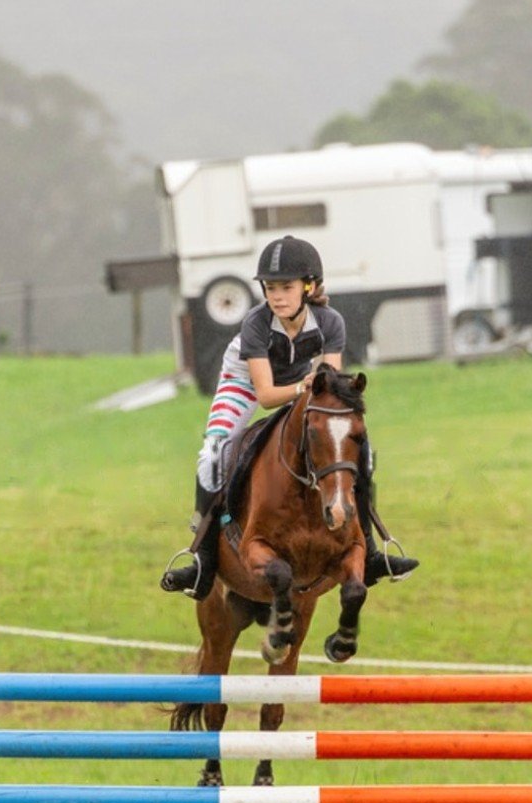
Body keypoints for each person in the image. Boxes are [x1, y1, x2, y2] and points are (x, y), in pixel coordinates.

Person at [160, 234, 419, 600]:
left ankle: (373, 554)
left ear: (309, 287)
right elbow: (265, 396)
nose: (276, 296)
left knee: (360, 452)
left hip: (303, 385)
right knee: (213, 454)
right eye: (270, 288)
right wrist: (304, 387)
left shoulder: (330, 322)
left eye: (286, 287)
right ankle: (201, 560)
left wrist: (315, 392)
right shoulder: (256, 323)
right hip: (246, 383)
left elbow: (331, 390)